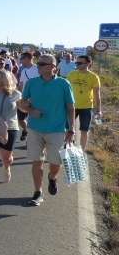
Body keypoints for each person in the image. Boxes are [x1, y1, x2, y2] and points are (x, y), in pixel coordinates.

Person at [18, 54, 75, 206]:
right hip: (34, 128)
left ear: (53, 67)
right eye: (38, 63)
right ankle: (38, 192)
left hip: (57, 129)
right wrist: (31, 110)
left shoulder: (63, 84)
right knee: (37, 161)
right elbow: (22, 103)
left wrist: (71, 129)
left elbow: (70, 107)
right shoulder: (32, 83)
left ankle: (52, 177)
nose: (38, 66)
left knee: (55, 162)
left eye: (42, 64)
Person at [67, 55, 101, 151]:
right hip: (72, 106)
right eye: (76, 63)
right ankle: (69, 148)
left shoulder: (94, 77)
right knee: (68, 128)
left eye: (79, 63)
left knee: (84, 130)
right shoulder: (71, 74)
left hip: (86, 107)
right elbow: (65, 91)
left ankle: (81, 151)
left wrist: (99, 110)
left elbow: (97, 95)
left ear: (88, 64)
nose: (77, 64)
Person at [16, 52, 40, 141]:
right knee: (20, 119)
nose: (20, 61)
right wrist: (18, 97)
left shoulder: (38, 69)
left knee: (33, 120)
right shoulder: (23, 71)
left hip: (35, 99)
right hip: (24, 99)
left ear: (27, 59)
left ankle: (31, 140)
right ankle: (25, 130)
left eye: (22, 59)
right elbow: (21, 84)